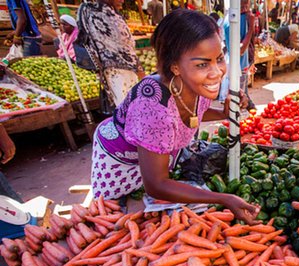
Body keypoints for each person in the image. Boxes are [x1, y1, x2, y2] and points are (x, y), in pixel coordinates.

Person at [91, 10, 259, 224]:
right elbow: (157, 184)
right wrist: (222, 198)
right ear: (175, 67)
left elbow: (190, 113)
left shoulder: (195, 85)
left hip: (155, 156)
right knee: (115, 219)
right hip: (120, 160)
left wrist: (223, 113)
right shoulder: (152, 107)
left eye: (219, 59)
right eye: (202, 64)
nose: (217, 72)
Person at [77, 0, 145, 108]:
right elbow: (122, 47)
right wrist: (140, 71)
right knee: (132, 109)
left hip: (114, 72)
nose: (123, 0)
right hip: (120, 73)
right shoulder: (101, 14)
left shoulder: (93, 10)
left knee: (128, 108)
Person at [223, 0, 255, 110]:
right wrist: (251, 27)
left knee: (242, 98)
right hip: (237, 67)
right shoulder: (236, 20)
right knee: (237, 103)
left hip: (240, 66)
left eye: (247, 4)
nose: (247, 8)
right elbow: (240, 50)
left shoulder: (235, 18)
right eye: (244, 4)